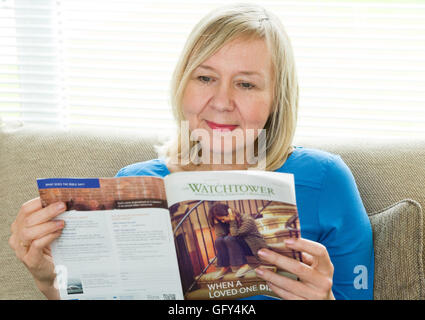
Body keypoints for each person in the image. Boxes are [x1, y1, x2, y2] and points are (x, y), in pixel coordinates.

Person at [9, 3, 374, 300]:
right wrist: (48, 281)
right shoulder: (134, 183)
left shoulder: (326, 180)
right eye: (205, 78)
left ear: (276, 99)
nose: (221, 101)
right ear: (182, 85)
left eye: (246, 84)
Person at [207, 203, 267, 279]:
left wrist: (232, 221)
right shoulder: (227, 223)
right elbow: (220, 236)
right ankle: (225, 267)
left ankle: (244, 266)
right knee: (219, 240)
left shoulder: (247, 220)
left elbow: (235, 235)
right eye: (220, 220)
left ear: (229, 213)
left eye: (222, 219)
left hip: (254, 246)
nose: (222, 221)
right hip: (242, 246)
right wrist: (217, 224)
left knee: (229, 239)